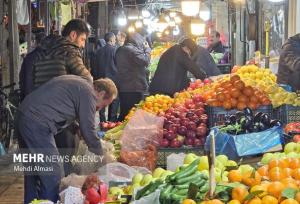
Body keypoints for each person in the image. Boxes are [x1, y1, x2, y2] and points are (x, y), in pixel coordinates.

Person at [16, 76, 117, 203]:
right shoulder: (89, 94)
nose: (100, 108)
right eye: (104, 104)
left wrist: (77, 128)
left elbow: (62, 109)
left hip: (23, 115)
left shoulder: (80, 85)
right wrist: (102, 156)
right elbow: (89, 130)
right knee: (54, 174)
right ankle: (50, 201)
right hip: (36, 123)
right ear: (101, 93)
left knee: (34, 172)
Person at [33, 18, 92, 88]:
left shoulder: (43, 51)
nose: (83, 45)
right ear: (73, 35)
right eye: (82, 39)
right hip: (60, 98)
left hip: (39, 96)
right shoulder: (69, 51)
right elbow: (87, 79)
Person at [115, 32, 151, 121]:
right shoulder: (132, 50)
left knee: (125, 112)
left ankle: (120, 132)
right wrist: (147, 49)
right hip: (134, 87)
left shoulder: (120, 49)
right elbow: (145, 61)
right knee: (132, 114)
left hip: (124, 86)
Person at [93, 32, 119, 122]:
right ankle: (111, 121)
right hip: (113, 79)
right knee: (114, 100)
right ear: (111, 39)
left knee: (101, 99)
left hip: (101, 79)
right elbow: (118, 65)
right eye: (115, 39)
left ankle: (102, 121)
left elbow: (94, 66)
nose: (115, 41)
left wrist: (96, 78)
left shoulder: (98, 51)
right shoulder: (115, 50)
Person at [19, 32, 46, 101]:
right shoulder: (51, 56)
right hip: (44, 96)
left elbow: (23, 78)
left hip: (30, 96)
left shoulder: (29, 57)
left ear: (35, 41)